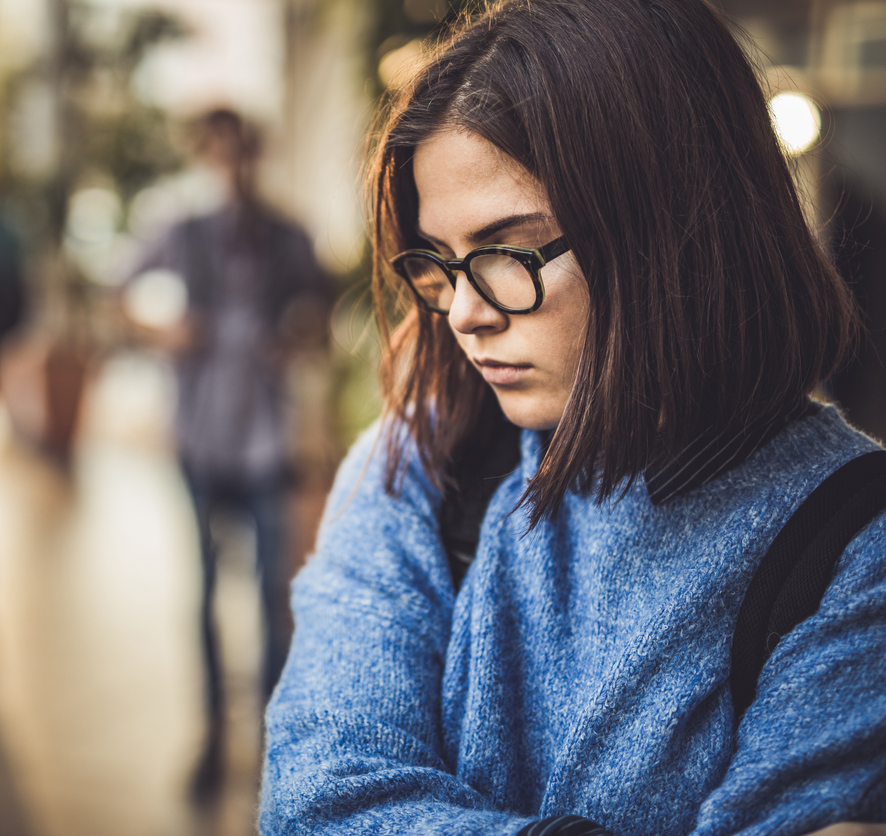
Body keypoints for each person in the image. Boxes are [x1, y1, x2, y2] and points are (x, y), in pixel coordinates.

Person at [260, 1, 886, 835]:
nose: (464, 314)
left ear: (669, 227)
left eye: (507, 252)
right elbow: (317, 799)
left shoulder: (854, 545)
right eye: (440, 265)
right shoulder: (423, 462)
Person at [126, 108, 330, 801]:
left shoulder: (287, 236)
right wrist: (168, 332)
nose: (231, 169)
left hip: (268, 438)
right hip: (203, 435)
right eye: (219, 156)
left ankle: (276, 740)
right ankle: (212, 737)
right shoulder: (182, 233)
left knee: (277, 594)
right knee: (207, 593)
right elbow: (124, 296)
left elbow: (321, 309)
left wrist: (296, 336)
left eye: (240, 155)